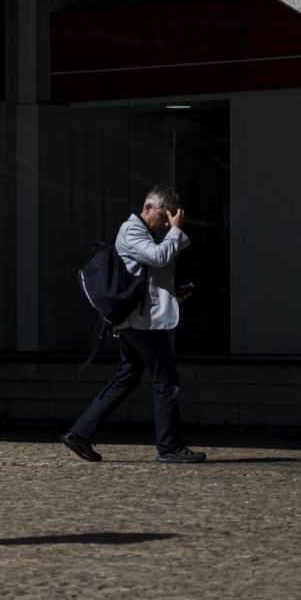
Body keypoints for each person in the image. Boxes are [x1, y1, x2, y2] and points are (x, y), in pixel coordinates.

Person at [63, 185, 207, 465]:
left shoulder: (147, 233)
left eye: (170, 220)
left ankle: (80, 433)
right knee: (166, 380)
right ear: (148, 208)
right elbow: (158, 257)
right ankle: (169, 447)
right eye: (164, 218)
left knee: (126, 379)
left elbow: (148, 275)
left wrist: (173, 292)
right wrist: (177, 230)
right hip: (141, 324)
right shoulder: (131, 230)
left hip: (138, 321)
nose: (167, 224)